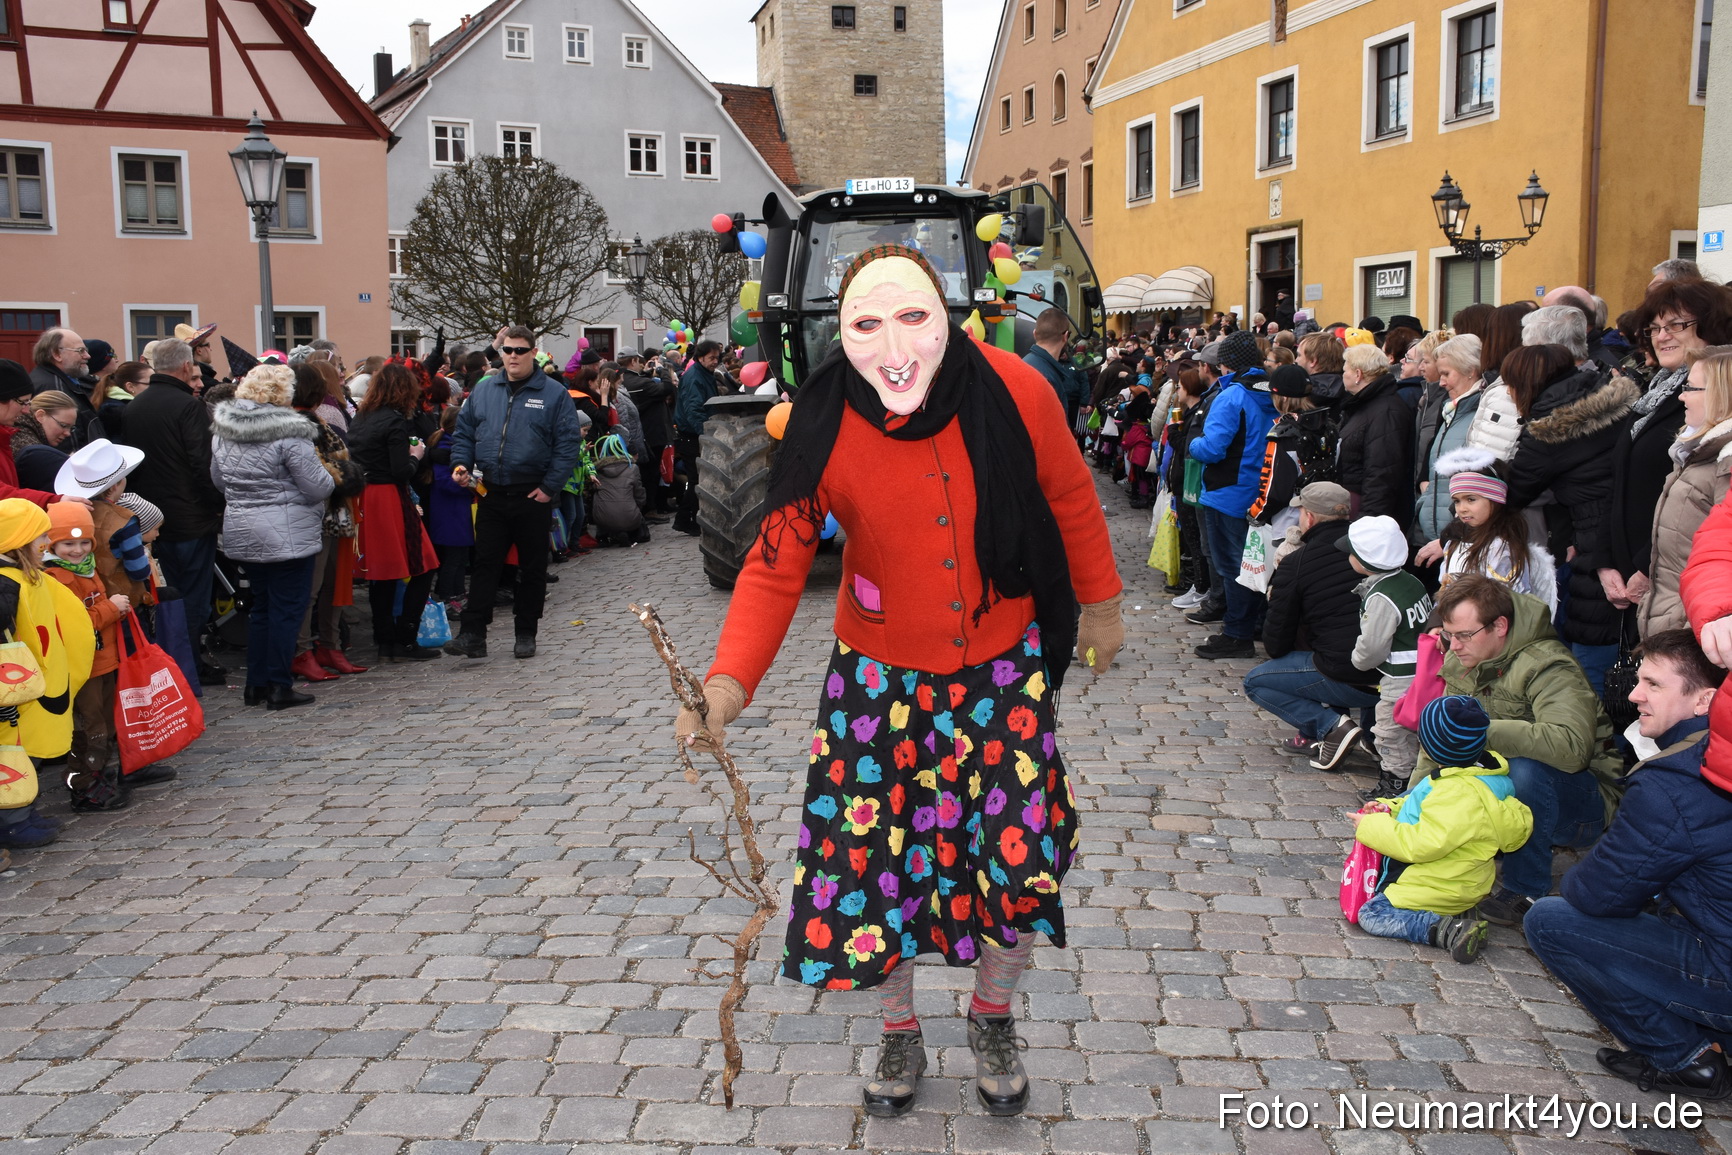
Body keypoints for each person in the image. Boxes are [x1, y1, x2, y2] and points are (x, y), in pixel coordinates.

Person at [674, 244, 1123, 1120]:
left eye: (913, 316)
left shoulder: (1018, 388)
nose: (894, 345)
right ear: (843, 332)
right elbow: (774, 561)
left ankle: (993, 1015)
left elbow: (1071, 496)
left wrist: (1102, 606)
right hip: (877, 683)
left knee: (1018, 863)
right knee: (876, 870)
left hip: (1001, 668)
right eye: (868, 324)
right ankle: (898, 1028)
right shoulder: (820, 417)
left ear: (945, 313)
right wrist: (727, 682)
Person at [1525, 629, 1732, 1100]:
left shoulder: (1676, 781)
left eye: (1653, 684)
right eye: (1640, 680)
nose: (1635, 695)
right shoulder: (1706, 756)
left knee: (1551, 921)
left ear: (1705, 700)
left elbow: (1596, 895)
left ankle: (1686, 1059)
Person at [1427, 577, 1623, 926]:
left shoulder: (1550, 665)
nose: (1453, 646)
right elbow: (1440, 742)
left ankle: (1526, 887)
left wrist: (1482, 732)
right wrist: (1409, 808)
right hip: (1516, 790)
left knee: (1524, 770)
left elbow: (1572, 748)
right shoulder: (1463, 659)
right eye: (1448, 635)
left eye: (1464, 635)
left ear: (1500, 626)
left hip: (1585, 804)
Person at [1351, 695, 1532, 964]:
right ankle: (1460, 913)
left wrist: (1371, 826)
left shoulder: (1455, 793)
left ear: (1428, 746)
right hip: (1462, 883)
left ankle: (1448, 930)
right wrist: (1389, 808)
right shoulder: (1480, 778)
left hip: (1436, 884)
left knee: (1372, 914)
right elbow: (1421, 805)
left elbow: (1421, 844)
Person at [1504, 345, 1640, 694]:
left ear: (1526, 383)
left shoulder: (1549, 432)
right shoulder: (1610, 396)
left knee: (1590, 665)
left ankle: (1605, 724)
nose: (1507, 393)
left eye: (1510, 384)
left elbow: (1510, 494)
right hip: (1634, 534)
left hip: (1595, 545)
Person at [446, 326, 582, 661]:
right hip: (491, 491)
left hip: (532, 493)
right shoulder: (484, 389)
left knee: (532, 567)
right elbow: (464, 432)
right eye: (508, 350)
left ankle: (525, 632)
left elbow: (568, 444)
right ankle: (472, 634)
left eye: (520, 350)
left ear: (533, 352)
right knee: (485, 564)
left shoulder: (553, 393)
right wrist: (461, 463)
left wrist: (549, 487)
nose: (513, 356)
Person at [1609, 279, 1732, 639]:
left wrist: (1645, 566)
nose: (1662, 336)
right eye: (1654, 328)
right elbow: (1618, 478)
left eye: (1676, 325)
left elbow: (1712, 520)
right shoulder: (1654, 392)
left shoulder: (1712, 400)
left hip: (1679, 588)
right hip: (1637, 578)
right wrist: (1605, 560)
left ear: (1711, 325)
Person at [209, 363, 335, 710]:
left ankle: (256, 684)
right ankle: (279, 685)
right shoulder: (290, 430)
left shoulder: (224, 430)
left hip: (243, 527)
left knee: (262, 607)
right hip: (287, 532)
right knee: (287, 609)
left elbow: (219, 480)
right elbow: (316, 486)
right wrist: (330, 478)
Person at [120, 338, 226, 684]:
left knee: (165, 595)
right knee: (192, 598)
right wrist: (217, 507)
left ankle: (176, 663)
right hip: (190, 518)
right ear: (185, 366)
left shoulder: (135, 406)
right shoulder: (188, 406)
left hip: (150, 518)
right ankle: (189, 666)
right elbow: (203, 464)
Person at [1245, 482, 1375, 762]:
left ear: (1310, 517)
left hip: (1347, 674)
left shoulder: (1297, 562)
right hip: (1393, 675)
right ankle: (1372, 735)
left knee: (1255, 682)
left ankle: (1332, 726)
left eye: (1300, 512)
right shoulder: (1375, 550)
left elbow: (1276, 643)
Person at [0, 498, 94, 852]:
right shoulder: (6, 585)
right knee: (12, 753)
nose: (46, 542)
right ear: (21, 540)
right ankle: (12, 822)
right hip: (15, 692)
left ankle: (24, 811)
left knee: (30, 749)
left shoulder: (24, 576)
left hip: (36, 688)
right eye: (40, 536)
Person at [1186, 331, 1277, 658]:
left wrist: (1192, 444)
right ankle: (1254, 624)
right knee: (1255, 563)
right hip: (1262, 490)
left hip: (1227, 492)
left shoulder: (1232, 396)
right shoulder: (1270, 390)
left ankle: (1236, 634)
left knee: (1232, 566)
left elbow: (1212, 448)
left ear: (1225, 363)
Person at [348, 363, 443, 665]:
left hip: (365, 497)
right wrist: (416, 456)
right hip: (389, 497)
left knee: (382, 575)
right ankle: (406, 637)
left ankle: (385, 640)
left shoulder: (361, 417)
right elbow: (401, 470)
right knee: (423, 565)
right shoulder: (394, 421)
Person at [42, 501, 131, 812]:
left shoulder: (88, 569)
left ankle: (97, 774)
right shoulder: (56, 578)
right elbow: (75, 624)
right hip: (83, 668)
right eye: (68, 543)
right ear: (52, 544)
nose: (77, 550)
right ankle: (82, 787)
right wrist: (111, 608)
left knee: (105, 722)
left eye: (84, 543)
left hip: (103, 661)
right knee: (89, 728)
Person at [1641, 346, 1732, 637]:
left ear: (1721, 394)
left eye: (1690, 388)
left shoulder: (1725, 459)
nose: (1681, 396)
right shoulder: (1696, 453)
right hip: (1675, 626)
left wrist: (1690, 630)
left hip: (1694, 632)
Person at [1342, 515, 1436, 797]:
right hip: (1424, 671)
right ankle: (1415, 779)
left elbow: (1372, 647)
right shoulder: (1410, 581)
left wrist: (1357, 660)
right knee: (1414, 730)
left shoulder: (1381, 597)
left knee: (1390, 731)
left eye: (1351, 552)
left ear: (1365, 560)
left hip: (1399, 679)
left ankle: (1395, 784)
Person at [289, 365, 366, 681]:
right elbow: (319, 471)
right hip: (317, 515)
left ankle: (330, 646)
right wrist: (348, 476)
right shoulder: (299, 424)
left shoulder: (316, 420)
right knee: (312, 588)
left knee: (334, 584)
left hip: (335, 513)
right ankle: (302, 650)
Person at [1432, 452, 1557, 610]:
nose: (1462, 509)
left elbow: (1503, 607)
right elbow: (1445, 589)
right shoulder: (1454, 541)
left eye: (1471, 499)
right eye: (1457, 501)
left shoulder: (1504, 550)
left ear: (1495, 498)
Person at [1334, 344, 1413, 526]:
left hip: (1367, 512)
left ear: (1358, 374)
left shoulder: (1386, 410)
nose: (1342, 375)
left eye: (1345, 370)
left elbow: (1382, 471)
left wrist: (1367, 520)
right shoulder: (1365, 405)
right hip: (1357, 503)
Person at [670, 339, 723, 536]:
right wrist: (705, 434)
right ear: (700, 358)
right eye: (711, 358)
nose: (715, 361)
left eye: (717, 357)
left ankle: (688, 518)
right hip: (691, 436)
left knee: (698, 479)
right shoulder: (694, 377)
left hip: (696, 433)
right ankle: (686, 519)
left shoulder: (704, 374)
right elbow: (694, 409)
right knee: (696, 480)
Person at [428, 406, 474, 613]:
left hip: (457, 511)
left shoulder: (449, 446)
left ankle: (458, 593)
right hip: (449, 512)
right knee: (452, 558)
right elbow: (444, 482)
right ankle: (448, 596)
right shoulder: (444, 449)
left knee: (460, 556)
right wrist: (470, 486)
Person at [620, 348, 675, 515]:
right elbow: (667, 388)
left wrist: (645, 374)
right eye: (639, 361)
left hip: (636, 433)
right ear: (633, 361)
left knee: (643, 473)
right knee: (651, 473)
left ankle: (647, 507)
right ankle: (650, 508)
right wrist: (662, 370)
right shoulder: (643, 383)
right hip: (652, 433)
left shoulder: (625, 381)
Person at [28, 327, 104, 447]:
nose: (87, 356)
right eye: (80, 351)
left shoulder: (59, 380)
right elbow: (68, 443)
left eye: (86, 350)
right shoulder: (54, 387)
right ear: (57, 354)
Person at [1023, 309, 1089, 433]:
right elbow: (1054, 430)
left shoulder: (1026, 364)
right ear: (1065, 336)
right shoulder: (1048, 376)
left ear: (1034, 334)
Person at [590, 433, 649, 545]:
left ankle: (605, 535)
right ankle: (627, 532)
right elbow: (640, 495)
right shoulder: (632, 468)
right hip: (629, 516)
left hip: (602, 518)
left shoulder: (597, 470)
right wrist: (638, 508)